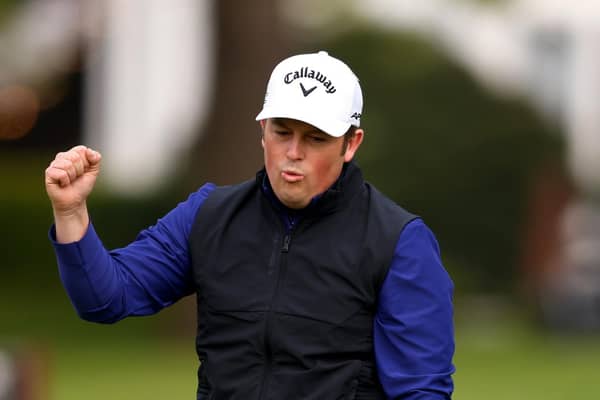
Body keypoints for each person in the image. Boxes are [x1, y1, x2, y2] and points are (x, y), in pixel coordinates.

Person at [45, 51, 455, 399]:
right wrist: (70, 212)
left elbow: (422, 390)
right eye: (282, 132)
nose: (293, 153)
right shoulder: (208, 215)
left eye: (316, 138)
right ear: (263, 131)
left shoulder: (399, 241)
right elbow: (104, 298)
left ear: (351, 143)